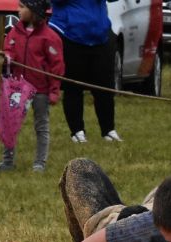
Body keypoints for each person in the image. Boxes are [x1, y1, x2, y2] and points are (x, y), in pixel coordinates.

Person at [0, 0, 65, 173]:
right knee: (10, 124)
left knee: (41, 126)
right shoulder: (14, 33)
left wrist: (54, 91)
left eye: (22, 7)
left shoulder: (50, 37)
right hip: (18, 88)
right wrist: (6, 58)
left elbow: (57, 67)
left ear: (33, 10)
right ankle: (7, 161)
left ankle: (39, 163)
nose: (18, 10)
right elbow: (9, 50)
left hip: (40, 90)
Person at [49, 0, 122, 143]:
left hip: (100, 35)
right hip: (70, 35)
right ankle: (77, 131)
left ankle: (108, 130)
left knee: (105, 87)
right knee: (73, 87)